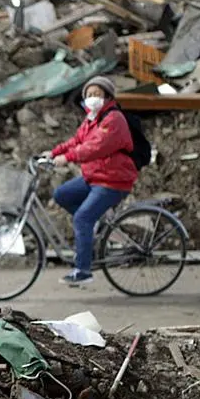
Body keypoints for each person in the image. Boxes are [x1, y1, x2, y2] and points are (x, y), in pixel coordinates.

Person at [48, 76, 137, 286]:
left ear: (107, 96)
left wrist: (67, 158)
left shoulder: (113, 119)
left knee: (81, 218)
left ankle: (83, 270)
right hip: (94, 177)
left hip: (112, 180)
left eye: (97, 94)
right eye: (89, 94)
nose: (92, 98)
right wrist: (53, 153)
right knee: (61, 194)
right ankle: (93, 226)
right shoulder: (92, 119)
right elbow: (77, 141)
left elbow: (95, 147)